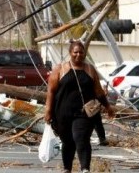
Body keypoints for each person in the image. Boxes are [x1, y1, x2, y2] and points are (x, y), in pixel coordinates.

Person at [44, 40, 115, 173]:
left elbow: (99, 91)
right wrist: (48, 111)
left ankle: (85, 169)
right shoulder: (60, 69)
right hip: (62, 113)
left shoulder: (90, 69)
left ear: (85, 53)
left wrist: (108, 106)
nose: (78, 55)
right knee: (67, 142)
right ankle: (67, 168)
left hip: (84, 113)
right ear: (70, 53)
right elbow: (51, 92)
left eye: (81, 52)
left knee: (81, 138)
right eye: (75, 52)